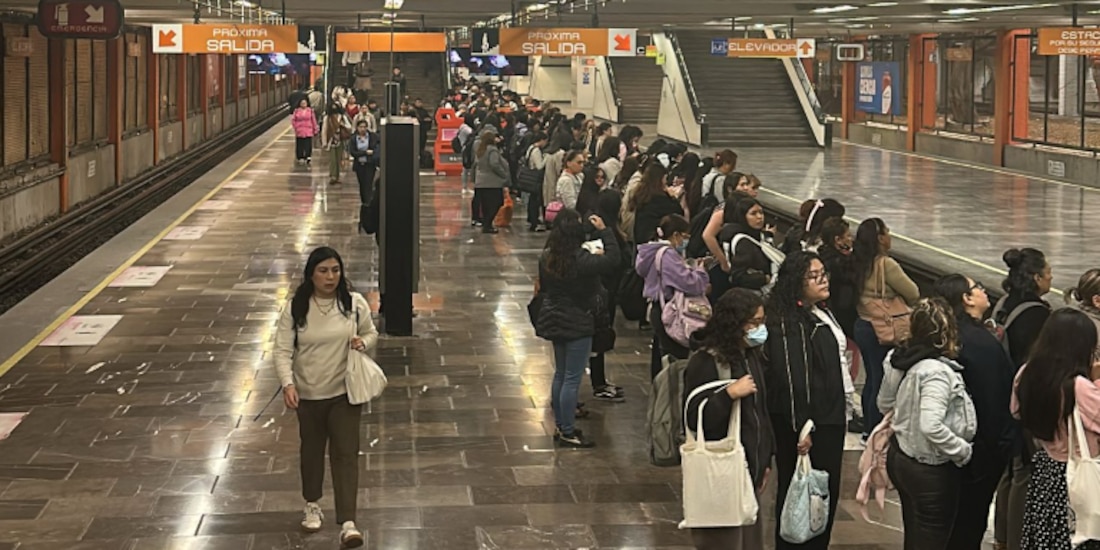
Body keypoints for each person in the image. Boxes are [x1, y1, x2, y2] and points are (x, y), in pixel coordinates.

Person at [273, 247, 377, 549]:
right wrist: (288, 384)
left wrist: (362, 342)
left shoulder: (353, 304)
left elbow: (371, 333)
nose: (330, 277)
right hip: (308, 394)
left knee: (346, 454)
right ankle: (312, 503)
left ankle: (348, 521)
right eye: (323, 271)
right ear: (311, 275)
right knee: (312, 451)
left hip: (345, 392)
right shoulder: (296, 307)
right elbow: (282, 350)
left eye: (335, 270)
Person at [877, 298, 977, 550]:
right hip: (929, 469)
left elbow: (883, 403)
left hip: (901, 457)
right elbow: (931, 425)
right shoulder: (936, 372)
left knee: (915, 532)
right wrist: (962, 451)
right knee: (931, 536)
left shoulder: (897, 358)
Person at [764, 251, 847, 550]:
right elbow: (793, 375)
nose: (823, 279)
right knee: (805, 493)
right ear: (795, 283)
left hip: (828, 415)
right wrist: (803, 426)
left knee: (820, 493)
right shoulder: (790, 320)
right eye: (814, 276)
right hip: (813, 421)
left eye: (823, 272)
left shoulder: (816, 310)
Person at [682, 289, 774, 550]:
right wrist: (729, 394)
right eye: (754, 322)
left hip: (749, 473)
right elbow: (694, 416)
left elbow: (761, 411)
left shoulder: (751, 356)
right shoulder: (706, 361)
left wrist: (766, 458)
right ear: (735, 323)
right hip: (721, 475)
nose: (760, 329)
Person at [932, 274, 1017, 548]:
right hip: (979, 452)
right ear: (966, 299)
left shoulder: (944, 335)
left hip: (950, 447)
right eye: (977, 288)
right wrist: (998, 448)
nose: (983, 290)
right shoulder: (980, 344)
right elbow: (993, 399)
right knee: (969, 524)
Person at [1012, 308, 1100, 550]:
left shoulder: (1026, 372)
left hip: (1045, 468)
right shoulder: (1079, 387)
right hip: (1078, 474)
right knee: (1078, 536)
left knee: (1047, 537)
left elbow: (1015, 410)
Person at [533, 209, 621, 448]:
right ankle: (568, 431)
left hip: (552, 316)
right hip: (578, 320)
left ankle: (562, 427)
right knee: (573, 378)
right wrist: (605, 231)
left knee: (561, 374)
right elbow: (614, 259)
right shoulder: (581, 260)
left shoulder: (547, 256)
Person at [992, 247, 1053, 550]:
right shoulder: (1037, 313)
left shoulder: (1004, 303)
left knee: (1009, 470)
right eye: (1048, 273)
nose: (1051, 278)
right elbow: (1037, 362)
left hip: (1002, 395)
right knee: (1023, 472)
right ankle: (1015, 541)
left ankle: (1001, 537)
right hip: (1024, 401)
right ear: (1035, 277)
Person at [851, 218, 920, 442]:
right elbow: (913, 293)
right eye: (887, 232)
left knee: (872, 376)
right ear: (880, 238)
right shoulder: (886, 264)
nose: (890, 236)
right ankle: (876, 430)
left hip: (863, 323)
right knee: (882, 379)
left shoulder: (857, 262)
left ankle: (867, 429)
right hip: (882, 327)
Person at [635, 215, 711, 378]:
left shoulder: (650, 251)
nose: (685, 241)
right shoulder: (667, 255)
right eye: (685, 237)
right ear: (676, 235)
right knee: (675, 358)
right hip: (670, 309)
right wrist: (700, 271)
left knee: (661, 355)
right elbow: (690, 283)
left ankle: (661, 393)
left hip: (658, 307)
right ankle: (671, 393)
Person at [347, 120, 381, 235]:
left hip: (369, 166)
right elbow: (353, 152)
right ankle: (365, 203)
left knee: (368, 185)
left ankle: (368, 205)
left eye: (364, 127)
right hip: (359, 166)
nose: (363, 129)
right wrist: (365, 152)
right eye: (360, 127)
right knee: (362, 186)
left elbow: (377, 148)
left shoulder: (372, 137)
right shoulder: (353, 139)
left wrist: (372, 154)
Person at [472, 132, 510, 234]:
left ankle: (486, 224)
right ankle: (488, 223)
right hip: (492, 182)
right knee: (497, 202)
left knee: (485, 204)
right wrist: (503, 174)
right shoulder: (492, 150)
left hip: (480, 181)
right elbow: (494, 164)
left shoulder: (480, 150)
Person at [322, 104, 352, 185]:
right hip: (331, 140)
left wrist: (342, 125)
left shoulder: (342, 117)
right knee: (333, 159)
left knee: (339, 159)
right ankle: (333, 176)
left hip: (340, 139)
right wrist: (324, 142)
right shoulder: (327, 118)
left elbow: (349, 126)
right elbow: (324, 130)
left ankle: (337, 176)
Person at [292, 98, 318, 166]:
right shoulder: (296, 111)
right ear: (300, 104)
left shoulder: (310, 111)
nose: (303, 104)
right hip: (300, 130)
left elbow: (313, 120)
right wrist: (296, 127)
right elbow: (293, 120)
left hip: (308, 130)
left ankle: (308, 156)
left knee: (308, 143)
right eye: (302, 103)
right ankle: (300, 156)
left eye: (305, 103)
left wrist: (315, 129)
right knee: (300, 144)